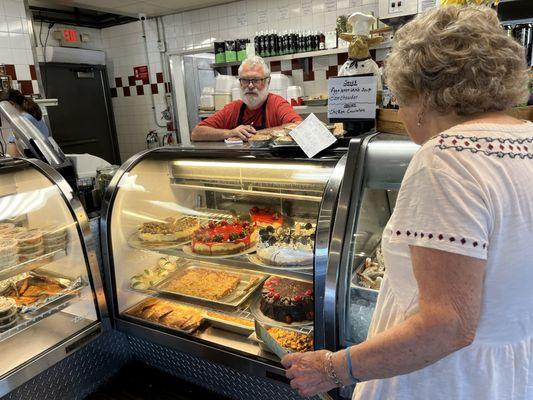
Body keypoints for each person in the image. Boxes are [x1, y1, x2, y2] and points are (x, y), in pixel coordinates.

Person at [282, 5, 533, 400]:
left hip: (446, 380)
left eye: (400, 96)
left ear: (425, 91)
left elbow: (447, 326)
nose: (399, 109)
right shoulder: (527, 139)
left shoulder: (446, 159)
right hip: (509, 372)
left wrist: (332, 369)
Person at [191, 56, 302, 141]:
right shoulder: (233, 108)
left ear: (268, 82)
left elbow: (299, 127)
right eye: (245, 80)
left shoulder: (277, 104)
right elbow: (196, 133)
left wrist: (255, 134)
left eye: (256, 80)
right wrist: (230, 133)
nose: (250, 85)